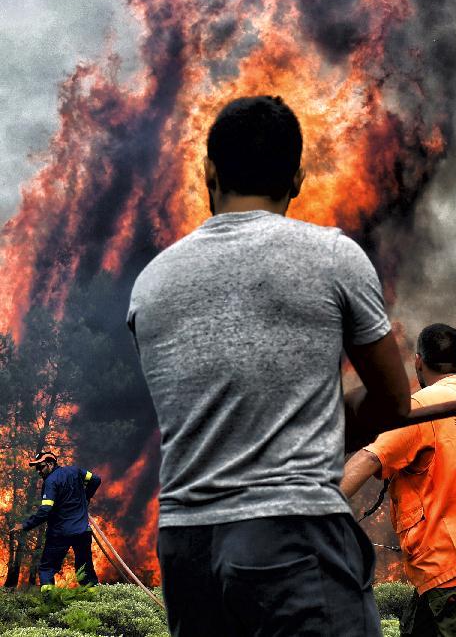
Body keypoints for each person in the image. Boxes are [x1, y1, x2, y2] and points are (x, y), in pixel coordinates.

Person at [127, 95, 412, 637]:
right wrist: (326, 418)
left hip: (186, 547)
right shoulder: (332, 257)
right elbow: (395, 402)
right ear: (298, 176)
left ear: (208, 170)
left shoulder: (151, 283)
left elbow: (207, 407)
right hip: (290, 532)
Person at [341, 324, 456, 637]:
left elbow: (368, 459)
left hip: (449, 563)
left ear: (418, 361)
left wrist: (319, 512)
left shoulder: (419, 408)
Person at [8, 451, 102, 588]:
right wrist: (86, 498)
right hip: (82, 531)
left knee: (47, 569)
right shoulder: (75, 471)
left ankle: (49, 602)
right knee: (85, 570)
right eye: (37, 468)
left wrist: (24, 525)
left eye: (41, 467)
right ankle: (94, 602)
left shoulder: (50, 481)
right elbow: (95, 480)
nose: (38, 471)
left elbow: (45, 510)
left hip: (60, 533)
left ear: (51, 464)